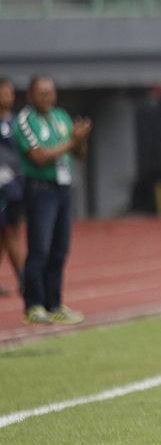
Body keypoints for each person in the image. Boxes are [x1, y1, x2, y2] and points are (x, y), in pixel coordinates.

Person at [14, 75, 90, 325]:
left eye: (51, 92)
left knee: (60, 249)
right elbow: (38, 157)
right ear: (31, 95)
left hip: (63, 187)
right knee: (40, 248)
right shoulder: (25, 120)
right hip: (40, 188)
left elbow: (78, 154)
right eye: (42, 93)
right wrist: (71, 142)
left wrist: (79, 141)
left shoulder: (61, 117)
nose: (48, 97)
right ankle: (34, 304)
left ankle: (54, 303)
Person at [0, 76, 26, 295]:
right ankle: (24, 280)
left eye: (10, 91)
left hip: (14, 188)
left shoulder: (17, 124)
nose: (8, 96)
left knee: (11, 233)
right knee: (6, 234)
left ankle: (23, 279)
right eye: (4, 91)